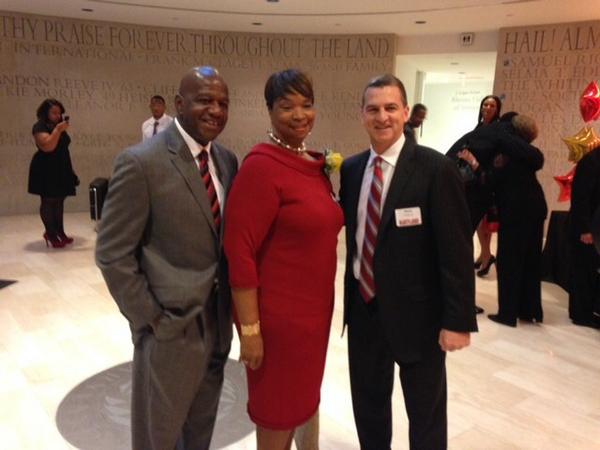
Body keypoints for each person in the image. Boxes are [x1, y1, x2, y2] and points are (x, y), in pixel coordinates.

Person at [95, 66, 238, 449]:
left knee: (200, 432)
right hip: (169, 330)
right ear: (178, 104)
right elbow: (112, 253)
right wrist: (151, 319)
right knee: (158, 436)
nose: (215, 110)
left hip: (217, 325)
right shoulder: (141, 163)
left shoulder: (226, 161)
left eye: (223, 103)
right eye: (205, 100)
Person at [339, 74, 477, 450]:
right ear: (362, 115)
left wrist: (457, 320)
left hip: (421, 318)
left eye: (389, 108)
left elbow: (457, 251)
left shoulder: (435, 169)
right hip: (365, 311)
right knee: (368, 407)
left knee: (426, 415)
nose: (381, 117)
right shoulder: (351, 171)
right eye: (373, 109)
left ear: (404, 112)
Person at [224, 69, 343, 450]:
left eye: (307, 105)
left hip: (313, 318)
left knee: (301, 404)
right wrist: (250, 330)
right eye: (286, 105)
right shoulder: (261, 166)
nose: (299, 114)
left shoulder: (311, 163)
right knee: (277, 415)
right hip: (278, 324)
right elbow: (238, 250)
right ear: (269, 110)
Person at [485, 114, 547, 327]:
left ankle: (508, 313)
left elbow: (493, 179)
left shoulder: (507, 151)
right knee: (530, 259)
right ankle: (529, 310)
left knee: (510, 260)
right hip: (535, 207)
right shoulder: (528, 153)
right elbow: (538, 160)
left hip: (516, 210)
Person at [28, 98, 79, 248]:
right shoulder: (40, 126)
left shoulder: (58, 126)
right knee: (48, 201)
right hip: (46, 168)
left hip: (61, 166)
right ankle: (50, 233)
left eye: (59, 112)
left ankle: (60, 232)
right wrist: (57, 130)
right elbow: (47, 146)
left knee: (59, 201)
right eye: (54, 112)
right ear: (45, 113)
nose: (57, 115)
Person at [569, 145, 600, 328]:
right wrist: (585, 229)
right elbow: (581, 198)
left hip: (594, 226)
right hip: (586, 229)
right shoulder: (591, 161)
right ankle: (581, 314)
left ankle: (587, 311)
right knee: (583, 271)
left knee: (590, 270)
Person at [472, 95, 502, 278]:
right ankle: (485, 254)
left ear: (497, 109)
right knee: (478, 221)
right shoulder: (479, 127)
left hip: (488, 178)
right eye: (485, 104)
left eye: (492, 105)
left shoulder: (497, 129)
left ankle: (486, 256)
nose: (488, 107)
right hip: (476, 178)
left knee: (485, 223)